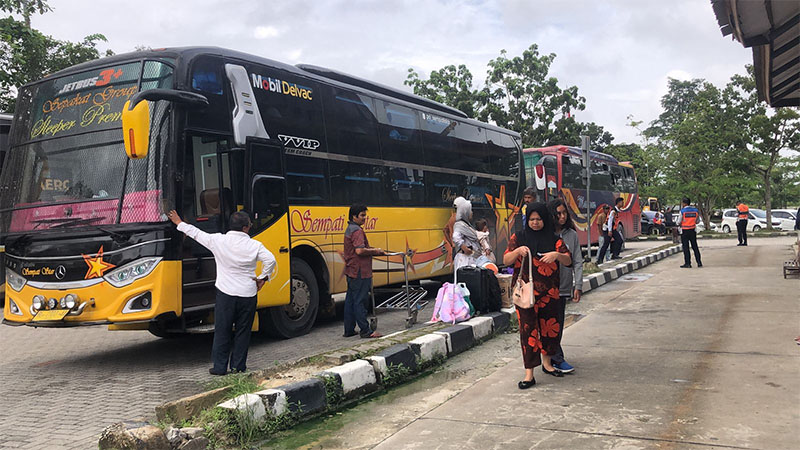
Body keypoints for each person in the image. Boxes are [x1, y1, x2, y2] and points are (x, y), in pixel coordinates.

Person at [168, 209, 275, 376]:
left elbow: (196, 234)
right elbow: (271, 260)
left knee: (222, 330)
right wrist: (263, 278)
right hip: (248, 294)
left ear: (231, 226)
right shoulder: (255, 245)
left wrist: (179, 223)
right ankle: (238, 366)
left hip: (226, 294)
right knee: (243, 331)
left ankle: (219, 367)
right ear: (246, 228)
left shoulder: (218, 240)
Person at [504, 202, 572, 389]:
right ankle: (529, 374)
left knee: (550, 330)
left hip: (550, 294)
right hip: (526, 294)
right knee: (529, 332)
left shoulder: (555, 239)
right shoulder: (519, 237)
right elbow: (505, 259)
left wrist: (556, 255)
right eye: (532, 219)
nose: (535, 222)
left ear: (545, 220)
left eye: (539, 219)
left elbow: (569, 260)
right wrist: (517, 251)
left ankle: (548, 364)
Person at [548, 199, 582, 374]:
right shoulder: (545, 234)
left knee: (558, 324)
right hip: (546, 287)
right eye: (558, 213)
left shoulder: (571, 235)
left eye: (564, 213)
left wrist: (578, 285)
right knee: (548, 324)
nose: (562, 217)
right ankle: (554, 358)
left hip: (563, 286)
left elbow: (577, 261)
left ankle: (555, 357)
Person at [343, 204, 384, 338]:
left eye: (365, 215)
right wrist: (375, 251)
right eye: (362, 215)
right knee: (360, 301)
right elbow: (359, 250)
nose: (364, 218)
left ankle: (349, 330)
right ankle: (366, 331)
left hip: (351, 270)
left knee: (350, 301)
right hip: (360, 271)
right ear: (354, 216)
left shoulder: (349, 229)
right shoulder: (357, 231)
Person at [452, 199, 481, 270]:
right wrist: (464, 248)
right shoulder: (460, 225)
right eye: (470, 211)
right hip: (464, 259)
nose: (472, 213)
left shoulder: (466, 225)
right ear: (465, 212)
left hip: (469, 259)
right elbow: (456, 237)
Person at [597, 197, 624, 263]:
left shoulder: (617, 210)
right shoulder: (613, 211)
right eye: (622, 202)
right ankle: (600, 260)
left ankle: (615, 255)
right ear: (618, 203)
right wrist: (609, 230)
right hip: (608, 229)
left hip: (612, 229)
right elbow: (609, 221)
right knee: (605, 244)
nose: (623, 203)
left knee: (619, 240)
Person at [677, 197, 702, 268]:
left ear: (684, 203)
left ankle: (688, 263)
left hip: (684, 231)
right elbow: (698, 221)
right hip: (692, 230)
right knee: (695, 247)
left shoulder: (682, 211)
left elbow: (679, 221)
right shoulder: (695, 211)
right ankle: (699, 262)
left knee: (686, 248)